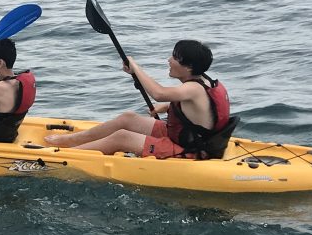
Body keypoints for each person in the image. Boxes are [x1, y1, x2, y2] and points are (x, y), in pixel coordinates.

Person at [44, 39, 232, 159]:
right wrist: (167, 108)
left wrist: (135, 66)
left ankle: (64, 156)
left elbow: (158, 93)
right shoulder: (203, 82)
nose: (169, 60)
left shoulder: (192, 88)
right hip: (183, 137)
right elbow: (201, 112)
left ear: (188, 67)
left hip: (190, 150)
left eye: (174, 57)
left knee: (122, 137)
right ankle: (69, 141)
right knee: (128, 118)